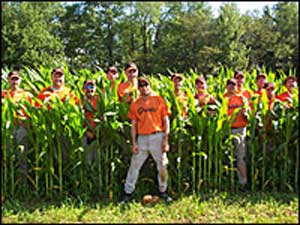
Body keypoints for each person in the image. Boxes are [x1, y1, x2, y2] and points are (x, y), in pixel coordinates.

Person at [121, 77, 172, 202]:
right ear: (138, 88)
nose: (144, 88)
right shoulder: (135, 104)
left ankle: (163, 191)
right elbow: (133, 125)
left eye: (146, 85)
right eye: (141, 86)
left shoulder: (159, 100)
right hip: (142, 138)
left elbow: (166, 121)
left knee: (162, 166)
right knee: (134, 166)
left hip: (157, 136)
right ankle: (127, 192)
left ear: (150, 86)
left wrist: (166, 140)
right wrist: (134, 143)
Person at [2, 70, 34, 175]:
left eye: (16, 79)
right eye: (12, 79)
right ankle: (9, 180)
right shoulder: (3, 94)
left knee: (22, 156)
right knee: (7, 155)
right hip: (7, 128)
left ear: (20, 80)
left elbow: (34, 112)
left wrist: (29, 125)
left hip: (22, 128)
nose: (14, 81)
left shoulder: (27, 95)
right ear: (8, 80)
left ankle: (22, 183)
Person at [224, 78, 250, 191]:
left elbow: (249, 115)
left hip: (240, 130)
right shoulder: (223, 98)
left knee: (240, 157)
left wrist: (246, 113)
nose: (231, 87)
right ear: (226, 86)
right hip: (225, 130)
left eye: (233, 85)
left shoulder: (241, 98)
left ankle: (243, 183)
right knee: (226, 157)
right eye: (229, 85)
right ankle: (227, 183)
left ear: (236, 86)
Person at [81, 79, 100, 163]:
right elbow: (78, 118)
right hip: (85, 134)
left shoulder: (100, 100)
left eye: (92, 86)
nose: (90, 89)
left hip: (98, 134)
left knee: (97, 160)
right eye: (87, 86)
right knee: (87, 159)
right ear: (83, 88)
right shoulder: (80, 101)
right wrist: (86, 131)